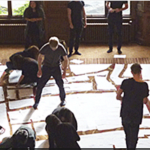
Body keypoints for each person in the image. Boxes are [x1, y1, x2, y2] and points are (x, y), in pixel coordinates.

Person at [116, 63, 149, 149]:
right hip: (136, 114)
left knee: (128, 136)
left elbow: (118, 96)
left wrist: (124, 100)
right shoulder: (144, 85)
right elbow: (145, 100)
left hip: (125, 112)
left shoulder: (125, 82)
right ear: (140, 72)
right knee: (134, 136)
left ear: (131, 72)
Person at [32, 36, 69, 109]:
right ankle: (36, 102)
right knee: (40, 85)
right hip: (46, 67)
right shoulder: (45, 47)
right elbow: (40, 57)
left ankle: (63, 99)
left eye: (55, 48)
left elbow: (66, 59)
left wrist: (64, 71)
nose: (54, 49)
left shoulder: (61, 47)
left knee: (60, 84)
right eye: (52, 48)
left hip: (56, 67)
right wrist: (39, 69)